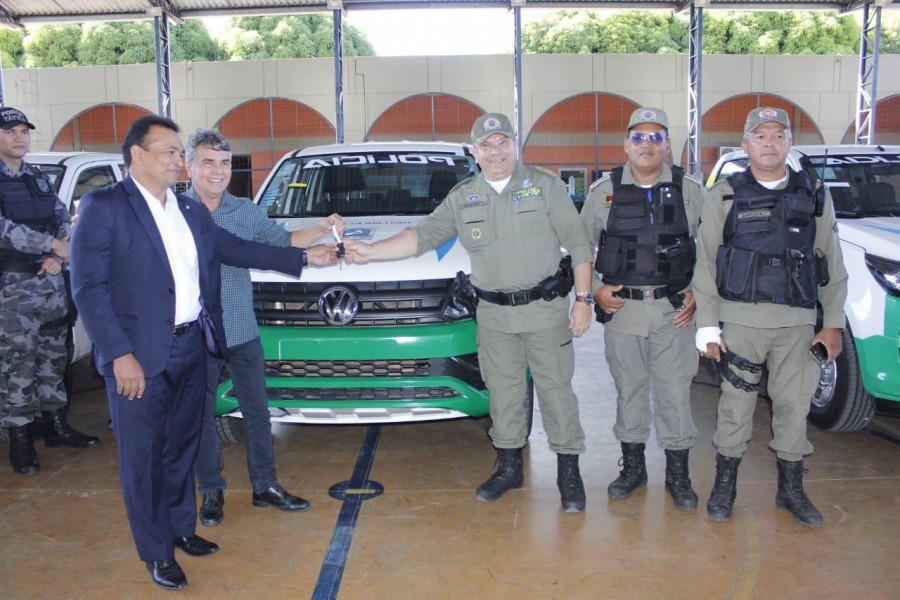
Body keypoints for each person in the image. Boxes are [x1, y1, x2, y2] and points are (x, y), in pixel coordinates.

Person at [70, 115, 337, 591]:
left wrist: (303, 257)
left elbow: (236, 249)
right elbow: (88, 288)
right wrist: (118, 355)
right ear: (138, 155)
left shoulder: (190, 213)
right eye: (170, 151)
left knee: (180, 448)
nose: (178, 160)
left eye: (179, 152)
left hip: (192, 346)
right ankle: (156, 553)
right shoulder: (104, 206)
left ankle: (180, 529)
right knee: (143, 459)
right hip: (137, 356)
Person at [344, 112, 594, 512]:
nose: (495, 152)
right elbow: (423, 236)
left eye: (502, 142)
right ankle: (510, 468)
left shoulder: (544, 187)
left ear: (514, 144)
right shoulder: (463, 197)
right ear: (475, 152)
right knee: (504, 394)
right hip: (493, 316)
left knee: (556, 392)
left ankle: (569, 471)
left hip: (544, 311)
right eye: (486, 145)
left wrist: (583, 301)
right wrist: (371, 251)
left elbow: (579, 245)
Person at [693, 107, 848, 527]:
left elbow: (831, 261)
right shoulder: (723, 193)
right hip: (740, 322)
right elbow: (705, 262)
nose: (769, 143)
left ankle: (791, 488)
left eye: (778, 135)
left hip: (797, 324)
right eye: (760, 136)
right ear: (745, 145)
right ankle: (725, 484)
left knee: (794, 407)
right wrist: (707, 324)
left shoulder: (813, 193)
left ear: (789, 143)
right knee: (735, 407)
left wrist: (832, 323)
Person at [184, 128, 344, 525]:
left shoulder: (245, 211)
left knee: (257, 411)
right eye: (207, 162)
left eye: (224, 163)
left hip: (240, 326)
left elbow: (280, 242)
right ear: (188, 166)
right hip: (194, 332)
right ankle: (211, 491)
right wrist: (305, 256)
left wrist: (322, 227)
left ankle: (265, 486)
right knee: (200, 416)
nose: (218, 171)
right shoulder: (174, 211)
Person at [580, 107, 705, 510]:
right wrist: (595, 290)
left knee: (674, 392)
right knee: (629, 389)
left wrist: (701, 292)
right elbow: (579, 248)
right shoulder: (604, 192)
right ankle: (633, 468)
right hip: (624, 310)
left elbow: (714, 248)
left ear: (668, 144)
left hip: (674, 309)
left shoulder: (690, 191)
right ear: (626, 144)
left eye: (655, 137)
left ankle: (678, 473)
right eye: (638, 137)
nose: (646, 144)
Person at [0, 106, 100, 476]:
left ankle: (56, 427)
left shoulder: (37, 178)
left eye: (24, 130)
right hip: (11, 291)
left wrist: (59, 256)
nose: (19, 136)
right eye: (10, 131)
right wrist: (51, 246)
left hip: (49, 285)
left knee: (53, 359)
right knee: (17, 365)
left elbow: (62, 216)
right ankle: (21, 441)